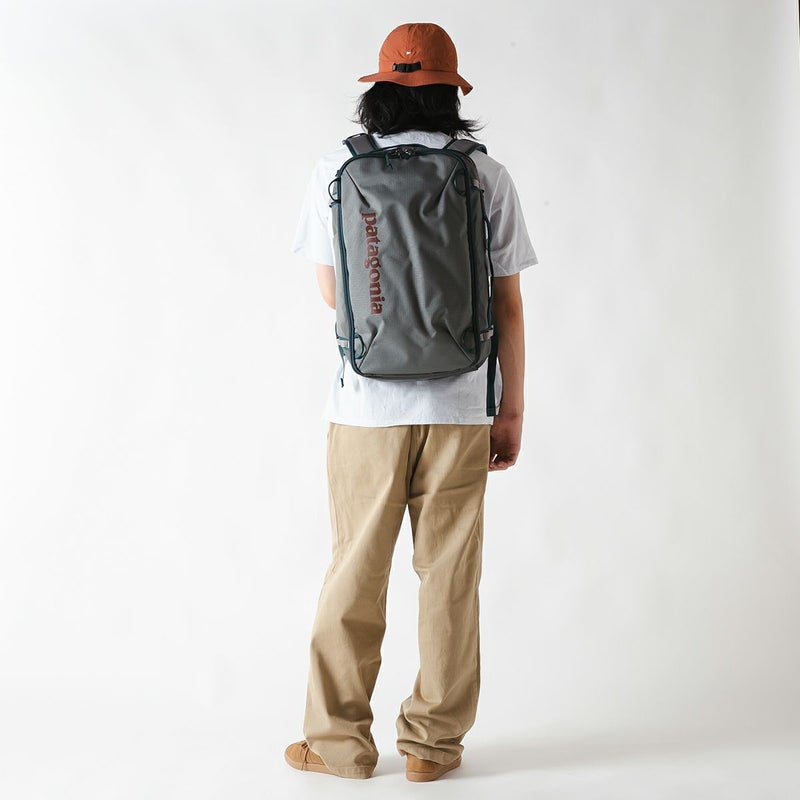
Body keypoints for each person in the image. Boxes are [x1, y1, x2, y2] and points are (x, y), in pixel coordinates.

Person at [285, 21, 538, 782]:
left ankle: (337, 744)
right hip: (460, 407)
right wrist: (509, 411)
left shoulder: (338, 167)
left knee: (354, 573)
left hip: (365, 408)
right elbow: (508, 305)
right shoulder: (484, 174)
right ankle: (432, 747)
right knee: (450, 578)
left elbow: (334, 294)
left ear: (380, 90)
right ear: (451, 92)